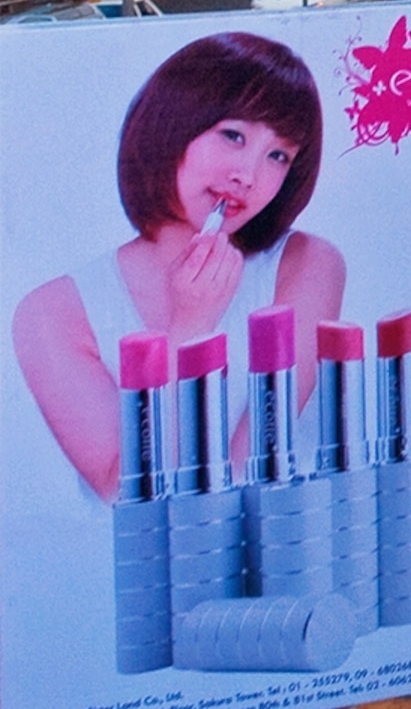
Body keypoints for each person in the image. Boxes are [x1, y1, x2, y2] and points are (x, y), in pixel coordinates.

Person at [14, 33, 346, 500]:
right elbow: (130, 492)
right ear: (173, 121)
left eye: (279, 156)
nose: (248, 175)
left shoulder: (306, 265)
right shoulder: (54, 311)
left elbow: (250, 471)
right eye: (233, 136)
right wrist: (191, 325)